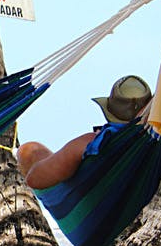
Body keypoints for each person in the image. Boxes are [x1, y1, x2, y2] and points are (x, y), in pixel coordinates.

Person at [17, 74, 153, 190]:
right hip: (133, 186)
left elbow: (34, 179)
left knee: (28, 150)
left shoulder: (92, 143)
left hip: (89, 200)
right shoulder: (159, 140)